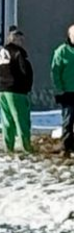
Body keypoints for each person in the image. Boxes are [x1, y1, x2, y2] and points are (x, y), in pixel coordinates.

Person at [0, 26, 33, 154]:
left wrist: (2, 81)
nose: (22, 43)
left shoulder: (0, 53)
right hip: (16, 92)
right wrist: (25, 86)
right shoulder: (18, 53)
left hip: (1, 91)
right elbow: (24, 71)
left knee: (7, 121)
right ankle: (26, 148)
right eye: (20, 40)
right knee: (21, 121)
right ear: (15, 40)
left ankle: (8, 148)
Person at [51, 25, 74, 156]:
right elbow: (55, 71)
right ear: (70, 36)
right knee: (68, 120)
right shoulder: (62, 51)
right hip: (68, 92)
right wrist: (59, 88)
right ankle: (66, 146)